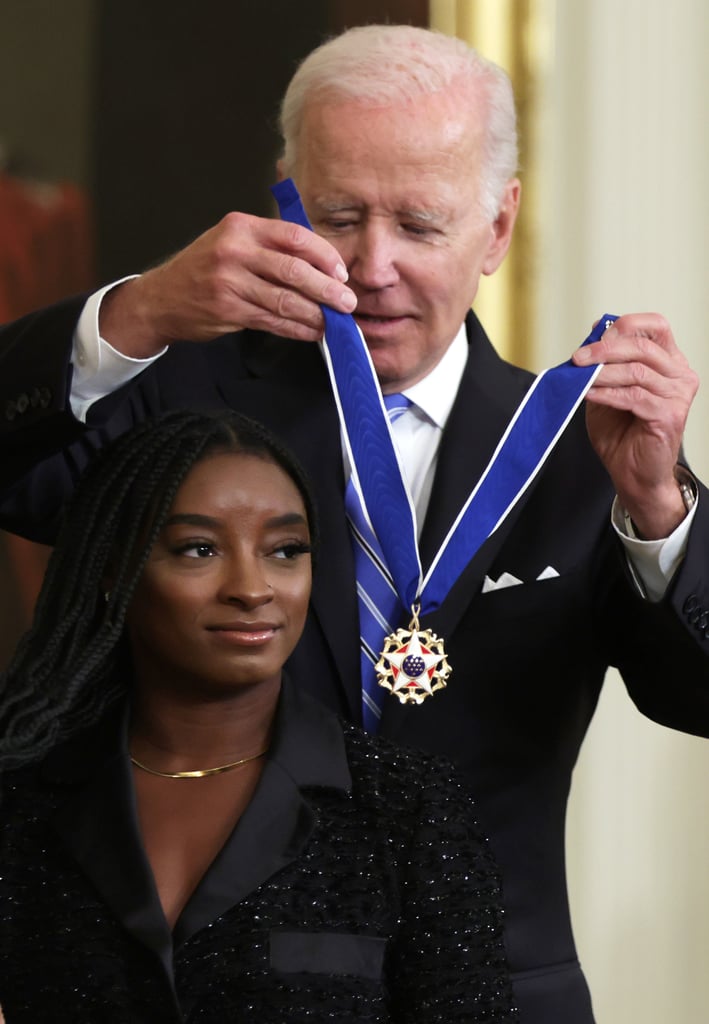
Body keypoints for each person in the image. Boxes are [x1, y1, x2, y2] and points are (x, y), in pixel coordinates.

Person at [0, 22, 707, 1023]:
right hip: (210, 994)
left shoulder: (585, 450)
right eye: (337, 217)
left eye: (419, 226)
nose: (372, 267)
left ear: (498, 226)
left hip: (500, 995)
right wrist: (137, 315)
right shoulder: (180, 403)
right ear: (282, 193)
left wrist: (660, 508)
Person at [0, 408, 518, 1023]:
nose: (252, 588)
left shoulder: (408, 809)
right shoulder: (22, 799)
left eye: (284, 550)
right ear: (116, 570)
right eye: (199, 548)